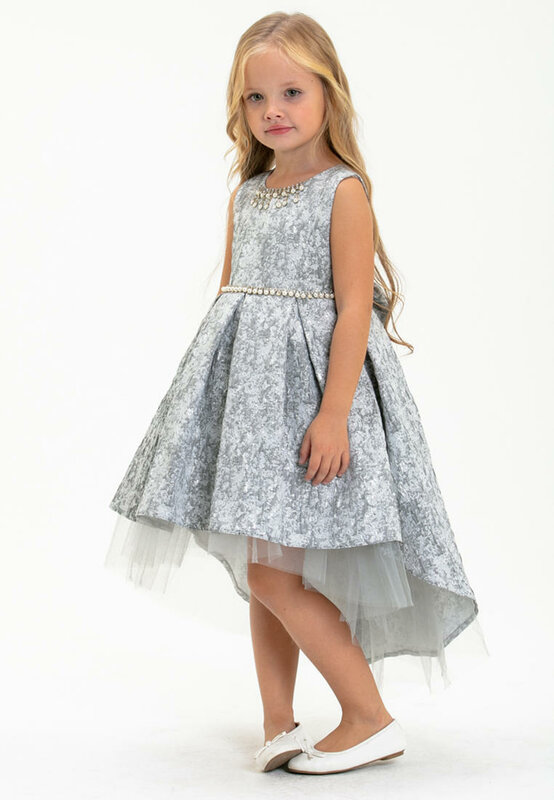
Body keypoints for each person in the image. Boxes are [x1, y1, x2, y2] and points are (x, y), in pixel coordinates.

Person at [104, 11, 490, 776]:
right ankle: (278, 722)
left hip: (311, 404)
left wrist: (335, 413)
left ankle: (370, 718)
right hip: (250, 413)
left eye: (291, 92)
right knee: (264, 571)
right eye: (255, 97)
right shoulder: (248, 195)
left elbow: (353, 309)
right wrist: (211, 410)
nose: (272, 110)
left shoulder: (342, 193)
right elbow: (232, 302)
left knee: (273, 573)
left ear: (329, 95)